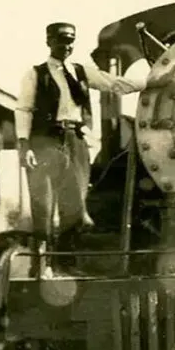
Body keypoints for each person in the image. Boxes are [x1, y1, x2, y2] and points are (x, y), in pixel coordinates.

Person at [15, 22, 146, 264]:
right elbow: (23, 109)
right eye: (60, 41)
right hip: (45, 141)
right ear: (49, 42)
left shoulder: (82, 72)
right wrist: (25, 146)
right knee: (42, 204)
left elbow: (115, 84)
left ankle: (68, 265)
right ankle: (41, 266)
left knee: (74, 205)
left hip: (75, 140)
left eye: (70, 41)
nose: (66, 46)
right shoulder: (35, 73)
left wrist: (154, 81)